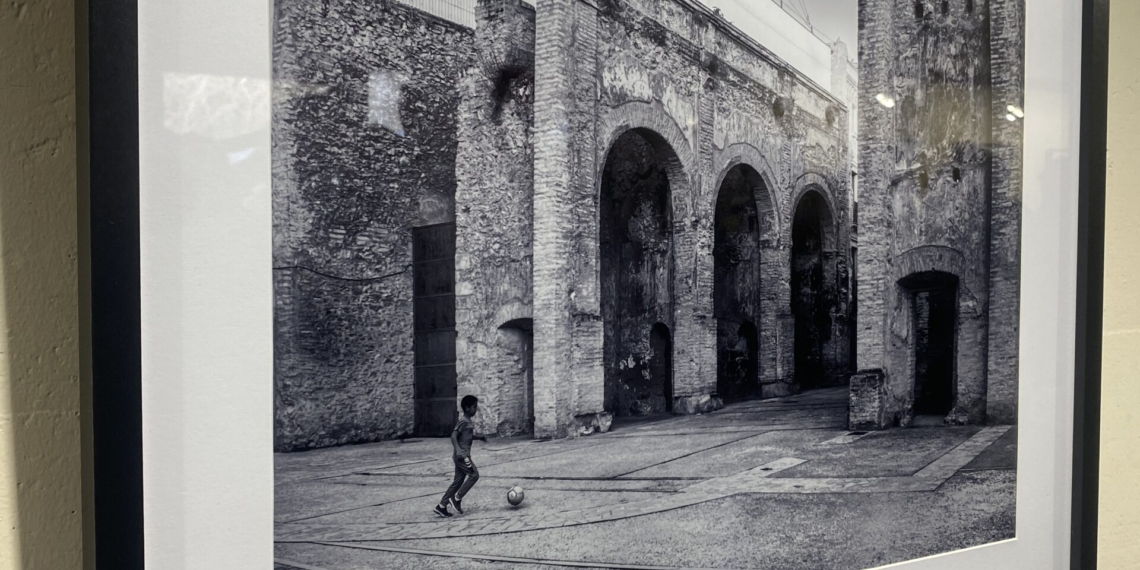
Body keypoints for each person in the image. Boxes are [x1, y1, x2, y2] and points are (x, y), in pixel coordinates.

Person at [435, 395, 487, 517]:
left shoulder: (468, 423)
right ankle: (456, 498)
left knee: (458, 482)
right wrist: (458, 450)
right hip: (462, 457)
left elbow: (466, 436)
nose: (476, 409)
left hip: (462, 456)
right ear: (467, 408)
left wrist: (479, 437)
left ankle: (441, 506)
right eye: (474, 407)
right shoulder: (463, 421)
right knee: (474, 475)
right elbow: (453, 436)